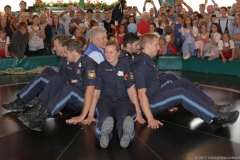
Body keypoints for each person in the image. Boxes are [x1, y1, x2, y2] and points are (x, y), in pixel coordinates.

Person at [133, 33, 239, 129]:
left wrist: (167, 100)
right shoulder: (142, 66)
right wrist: (150, 118)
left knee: (182, 82)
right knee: (180, 93)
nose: (158, 47)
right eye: (156, 45)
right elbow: (141, 95)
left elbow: (152, 82)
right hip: (151, 104)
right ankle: (217, 117)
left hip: (156, 93)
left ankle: (212, 105)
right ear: (147, 45)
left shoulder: (148, 60)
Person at [69, 40, 145, 148]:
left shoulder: (126, 66)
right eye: (106, 52)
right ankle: (103, 135)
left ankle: (125, 135)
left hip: (122, 100)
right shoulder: (101, 67)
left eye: (111, 52)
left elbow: (132, 90)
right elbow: (96, 92)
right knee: (104, 117)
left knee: (124, 117)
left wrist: (138, 112)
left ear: (118, 52)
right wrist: (90, 114)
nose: (108, 55)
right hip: (106, 100)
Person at [22, 39, 97, 131]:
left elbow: (90, 92)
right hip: (74, 99)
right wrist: (55, 102)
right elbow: (66, 82)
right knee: (57, 78)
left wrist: (82, 116)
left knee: (70, 89)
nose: (64, 55)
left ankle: (40, 119)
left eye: (66, 52)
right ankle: (38, 110)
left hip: (87, 101)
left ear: (74, 52)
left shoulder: (89, 64)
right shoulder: (73, 63)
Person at [2, 35, 72, 113]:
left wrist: (55, 101)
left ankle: (19, 102)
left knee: (41, 78)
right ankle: (33, 96)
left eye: (56, 46)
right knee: (48, 70)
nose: (54, 48)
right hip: (60, 82)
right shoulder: (64, 57)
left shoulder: (69, 59)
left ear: (64, 46)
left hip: (63, 87)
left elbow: (70, 81)